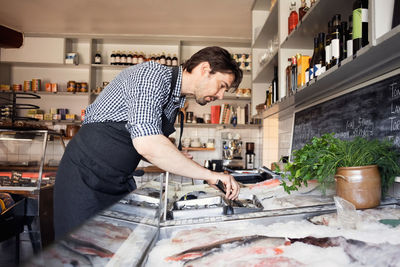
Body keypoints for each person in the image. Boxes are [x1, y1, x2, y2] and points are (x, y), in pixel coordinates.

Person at [54, 46, 243, 239]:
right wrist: (210, 175)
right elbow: (148, 144)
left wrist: (174, 157)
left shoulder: (176, 99)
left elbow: (141, 143)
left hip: (117, 181)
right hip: (85, 179)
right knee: (82, 253)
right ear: (204, 69)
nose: (220, 96)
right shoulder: (151, 75)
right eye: (222, 86)